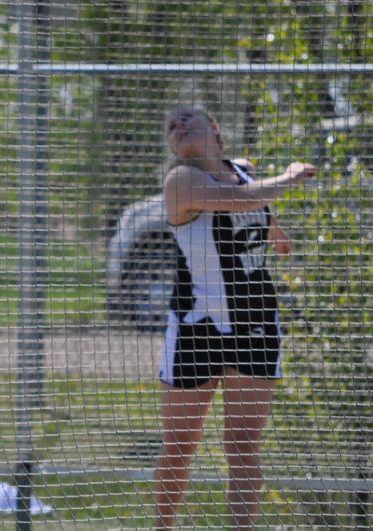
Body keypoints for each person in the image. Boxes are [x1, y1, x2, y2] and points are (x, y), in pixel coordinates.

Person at [153, 106, 315, 530]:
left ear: (214, 127)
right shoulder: (180, 181)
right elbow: (242, 200)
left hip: (255, 323)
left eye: (187, 118)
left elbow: (252, 202)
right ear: (172, 144)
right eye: (171, 126)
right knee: (180, 447)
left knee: (242, 445)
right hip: (197, 326)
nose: (178, 127)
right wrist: (291, 176)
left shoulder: (242, 171)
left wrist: (276, 236)